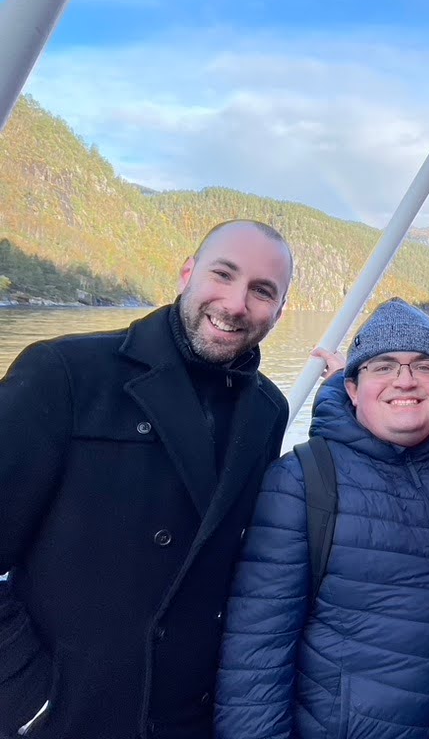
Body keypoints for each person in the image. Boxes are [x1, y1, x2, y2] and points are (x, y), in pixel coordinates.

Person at [0, 219, 293, 739]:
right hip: (66, 715)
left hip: (188, 719)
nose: (235, 303)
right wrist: (24, 695)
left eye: (261, 291)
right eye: (222, 275)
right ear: (187, 273)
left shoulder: (268, 411)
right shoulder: (66, 373)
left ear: (279, 309)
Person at [216, 298, 429, 739]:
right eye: (382, 366)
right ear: (352, 388)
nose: (405, 380)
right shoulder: (305, 481)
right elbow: (257, 652)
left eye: (423, 366)